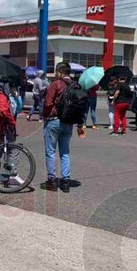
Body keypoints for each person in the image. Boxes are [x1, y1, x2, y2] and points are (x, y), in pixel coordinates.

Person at [40, 62, 86, 193]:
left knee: (50, 152)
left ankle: (52, 181)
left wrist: (44, 115)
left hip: (54, 121)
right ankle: (65, 181)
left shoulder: (56, 84)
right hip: (69, 122)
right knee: (65, 152)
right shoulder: (75, 85)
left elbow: (48, 103)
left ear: (60, 72)